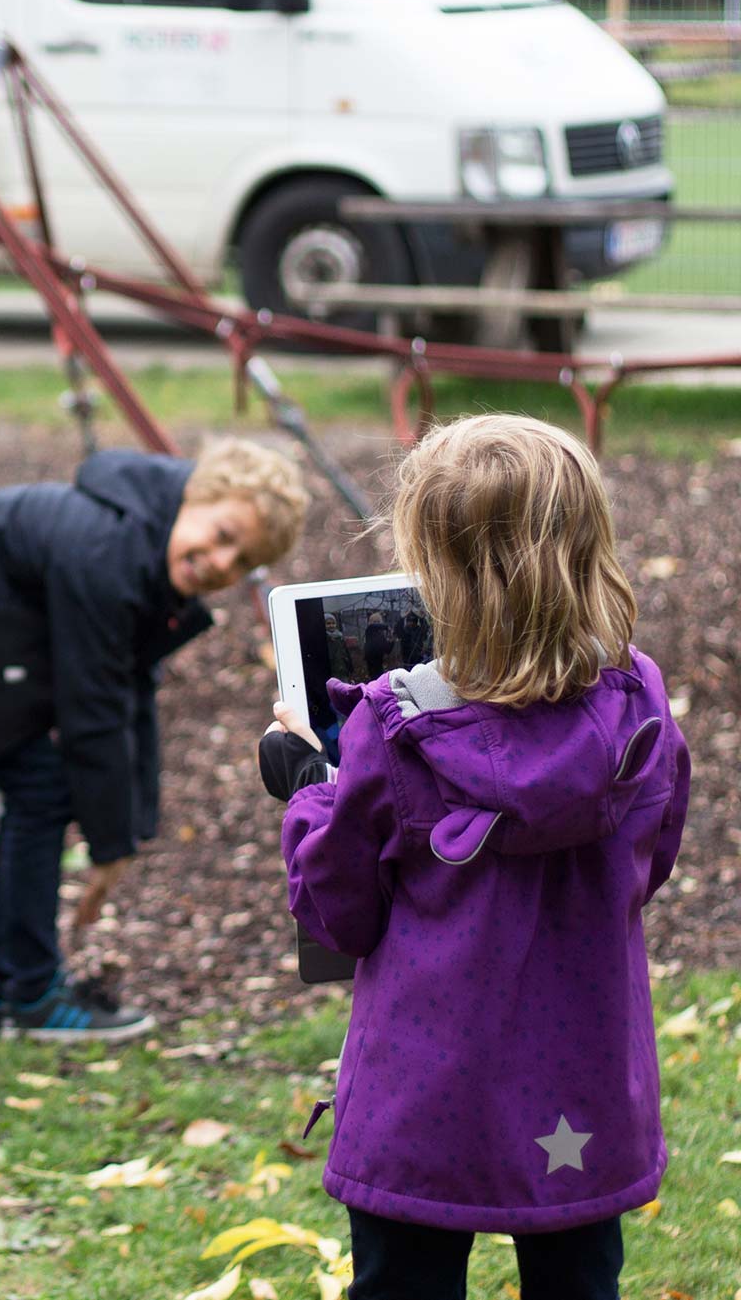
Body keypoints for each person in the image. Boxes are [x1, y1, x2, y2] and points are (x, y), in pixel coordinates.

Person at [257, 414, 690, 1300]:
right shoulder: (639, 698)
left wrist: (309, 781)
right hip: (585, 1085)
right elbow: (651, 856)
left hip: (424, 1094)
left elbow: (337, 910)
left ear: (437, 573)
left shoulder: (392, 726)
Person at [0, 440, 307, 1040]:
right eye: (223, 533)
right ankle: (27, 995)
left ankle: (17, 988)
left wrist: (129, 830)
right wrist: (108, 848)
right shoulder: (107, 552)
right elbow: (92, 711)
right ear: (196, 496)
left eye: (241, 559)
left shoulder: (142, 545)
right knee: (41, 789)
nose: (221, 562)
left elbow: (131, 691)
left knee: (39, 788)